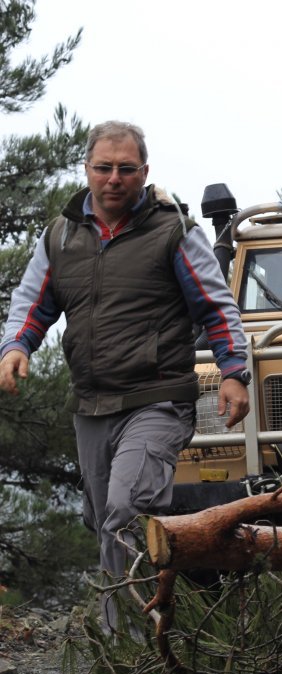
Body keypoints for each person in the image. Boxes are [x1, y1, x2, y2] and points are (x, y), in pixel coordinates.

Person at [0, 121, 249, 626]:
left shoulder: (173, 231)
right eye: (104, 167)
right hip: (92, 404)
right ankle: (154, 627)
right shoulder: (61, 236)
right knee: (103, 521)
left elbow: (216, 306)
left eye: (126, 169)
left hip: (158, 399)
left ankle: (127, 643)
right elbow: (32, 301)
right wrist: (16, 346)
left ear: (144, 172)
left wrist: (233, 372)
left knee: (126, 509)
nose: (114, 178)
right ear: (87, 169)